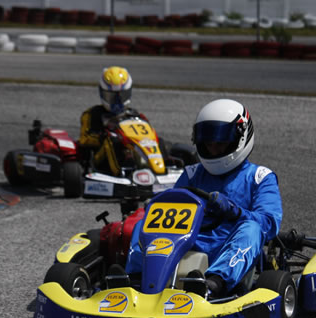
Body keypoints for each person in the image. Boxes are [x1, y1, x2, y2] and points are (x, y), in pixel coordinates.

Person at [121, 98, 283, 298]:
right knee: (143, 223)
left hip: (228, 247)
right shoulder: (192, 174)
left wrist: (235, 212)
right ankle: (137, 279)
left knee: (253, 228)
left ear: (240, 137)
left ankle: (214, 284)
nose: (213, 148)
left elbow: (269, 222)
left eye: (220, 142)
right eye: (208, 142)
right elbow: (171, 208)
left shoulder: (260, 177)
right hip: (185, 243)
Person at [78, 66, 148, 176]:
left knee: (157, 141)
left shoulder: (135, 115)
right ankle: (121, 173)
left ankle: (161, 168)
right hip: (100, 160)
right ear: (102, 93)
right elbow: (84, 139)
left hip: (132, 152)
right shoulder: (93, 114)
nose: (117, 101)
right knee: (112, 140)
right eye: (112, 97)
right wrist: (103, 136)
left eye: (121, 96)